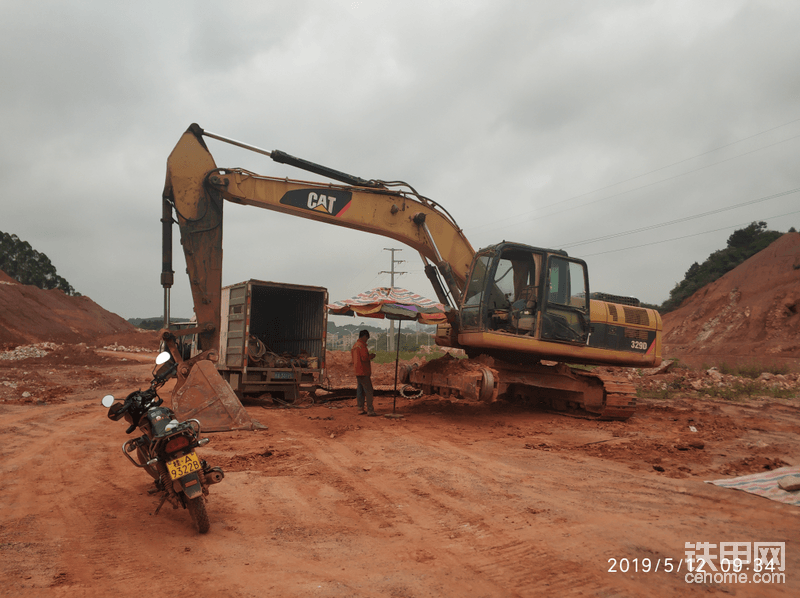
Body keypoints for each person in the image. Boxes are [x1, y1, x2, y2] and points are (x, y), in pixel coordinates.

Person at [351, 329, 377, 416]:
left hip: (357, 371)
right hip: (364, 371)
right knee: (369, 390)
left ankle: (360, 408)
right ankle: (370, 410)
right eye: (367, 338)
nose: (367, 340)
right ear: (364, 336)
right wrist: (371, 356)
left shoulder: (355, 346)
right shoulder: (362, 346)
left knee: (360, 390)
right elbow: (364, 358)